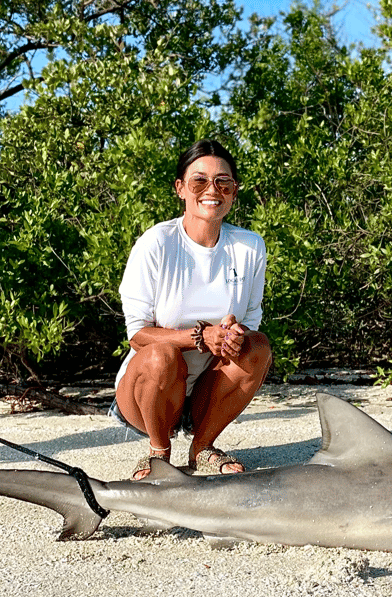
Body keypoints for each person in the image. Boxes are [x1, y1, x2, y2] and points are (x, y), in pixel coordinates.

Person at [111, 139, 272, 480]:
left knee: (258, 346)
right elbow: (137, 335)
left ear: (234, 191)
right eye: (199, 181)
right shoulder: (156, 243)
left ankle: (203, 446)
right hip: (148, 394)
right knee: (161, 355)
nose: (211, 190)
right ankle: (158, 452)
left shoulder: (250, 246)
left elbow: (252, 319)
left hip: (205, 390)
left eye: (223, 182)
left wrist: (233, 335)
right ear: (181, 188)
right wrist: (201, 337)